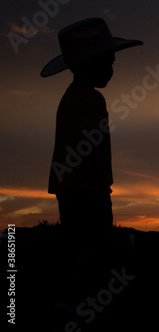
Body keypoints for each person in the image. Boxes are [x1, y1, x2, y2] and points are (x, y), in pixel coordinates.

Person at [41, 17, 142, 303]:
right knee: (96, 250)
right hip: (88, 190)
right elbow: (91, 147)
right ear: (91, 64)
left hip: (68, 186)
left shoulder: (70, 97)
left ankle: (74, 297)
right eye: (108, 62)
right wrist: (100, 185)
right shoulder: (93, 101)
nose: (112, 68)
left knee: (76, 247)